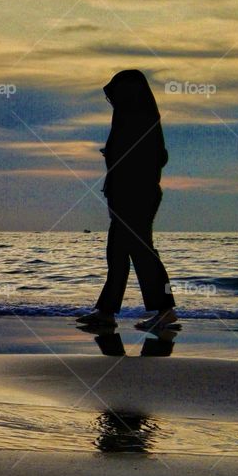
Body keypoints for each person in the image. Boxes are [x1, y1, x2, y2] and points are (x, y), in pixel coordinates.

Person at [77, 70, 177, 332]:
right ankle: (107, 311)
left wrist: (119, 158)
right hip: (126, 194)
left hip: (136, 196)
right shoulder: (136, 117)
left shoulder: (139, 118)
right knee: (119, 252)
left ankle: (164, 310)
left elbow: (153, 157)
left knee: (140, 251)